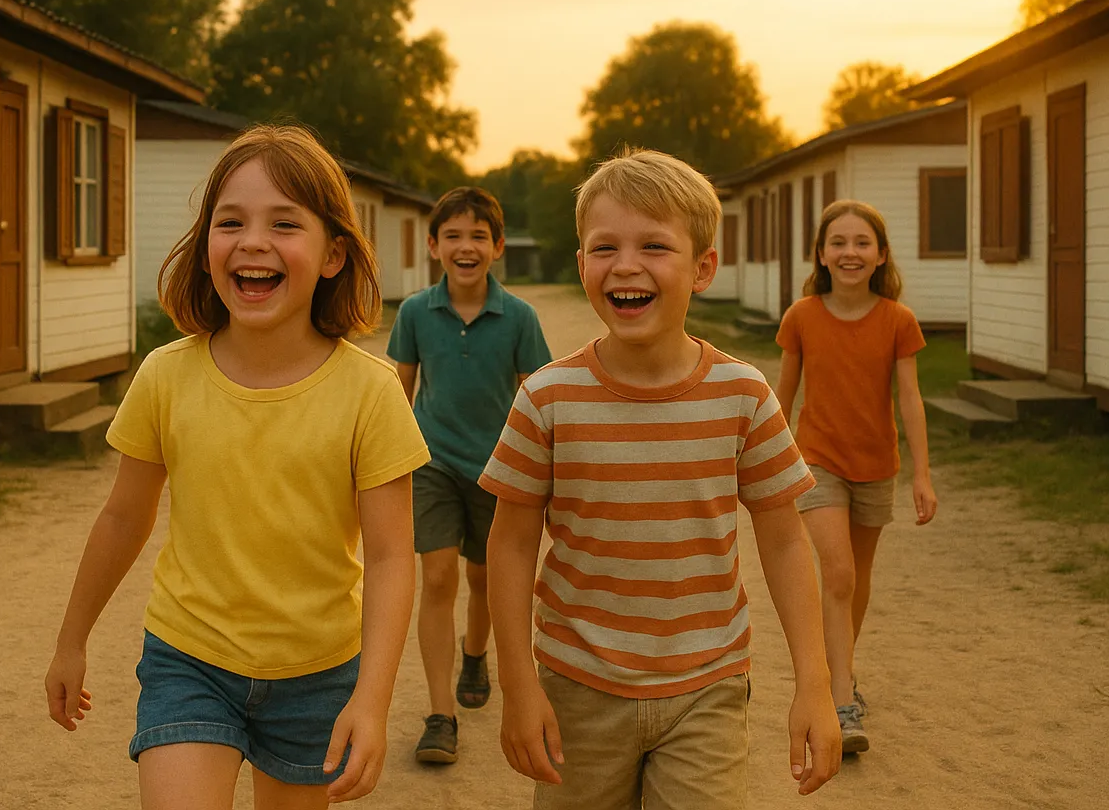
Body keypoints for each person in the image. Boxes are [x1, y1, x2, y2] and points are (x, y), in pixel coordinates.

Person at [43, 125, 427, 809]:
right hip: (188, 659)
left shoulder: (371, 393)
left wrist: (372, 699)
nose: (253, 241)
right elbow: (124, 516)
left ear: (333, 254)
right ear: (206, 249)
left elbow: (394, 557)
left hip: (318, 672)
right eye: (231, 222)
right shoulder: (164, 376)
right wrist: (71, 641)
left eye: (285, 223)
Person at [481, 149, 841, 809]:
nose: (625, 265)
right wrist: (518, 684)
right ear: (583, 260)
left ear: (703, 267)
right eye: (603, 247)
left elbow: (787, 542)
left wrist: (815, 684)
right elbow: (508, 544)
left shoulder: (744, 396)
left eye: (654, 245)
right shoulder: (546, 398)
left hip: (707, 688)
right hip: (577, 687)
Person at [387, 186, 553, 765]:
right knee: (436, 579)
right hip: (431, 465)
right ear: (434, 246)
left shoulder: (520, 318)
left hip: (497, 471)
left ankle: (475, 653)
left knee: (485, 580)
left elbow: (538, 399)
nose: (466, 246)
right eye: (453, 235)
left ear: (498, 247)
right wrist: (386, 464)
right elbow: (398, 394)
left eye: (478, 236)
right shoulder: (413, 313)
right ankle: (440, 716)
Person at [774, 199, 938, 756]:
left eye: (861, 242)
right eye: (838, 242)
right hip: (816, 460)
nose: (850, 252)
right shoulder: (801, 316)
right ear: (821, 254)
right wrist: (764, 458)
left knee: (856, 581)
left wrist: (923, 474)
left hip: (877, 466)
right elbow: (783, 395)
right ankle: (840, 702)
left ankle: (838, 672)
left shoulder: (898, 321)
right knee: (837, 572)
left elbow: (909, 399)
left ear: (880, 254)